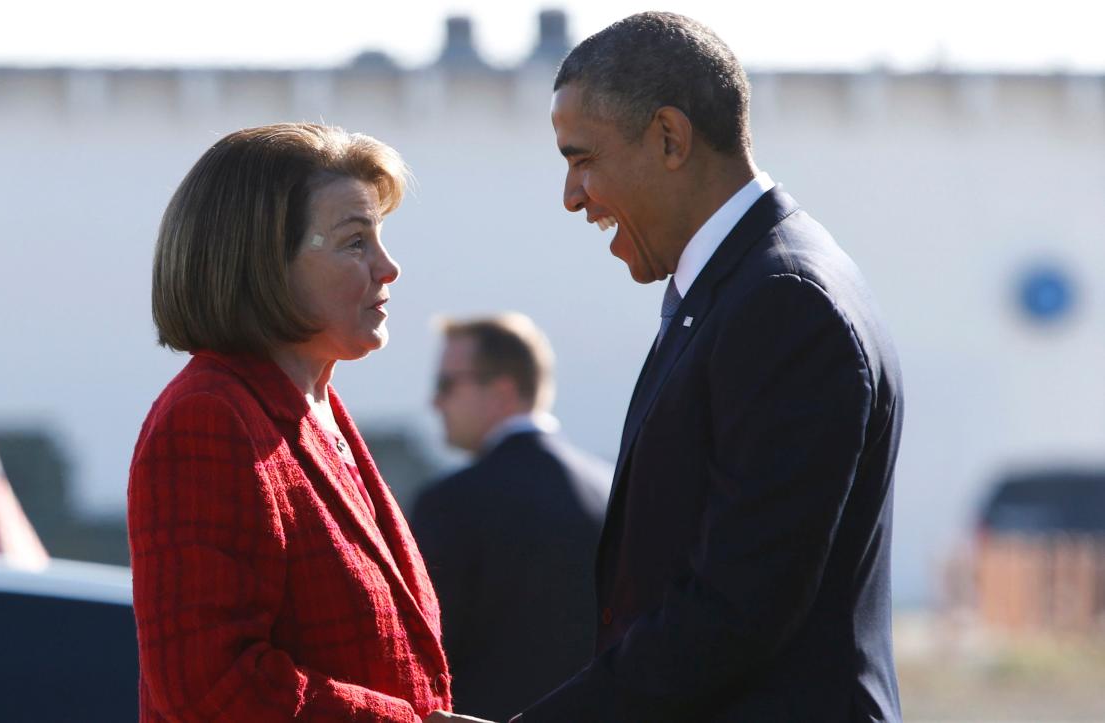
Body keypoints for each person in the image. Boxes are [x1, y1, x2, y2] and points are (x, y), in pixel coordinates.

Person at [494, 11, 903, 722]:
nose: (572, 195)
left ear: (669, 139)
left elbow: (737, 606)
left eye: (582, 157)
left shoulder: (783, 301)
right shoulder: (739, 284)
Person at [128, 123, 453, 722]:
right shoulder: (210, 418)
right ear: (262, 262)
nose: (388, 267)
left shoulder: (313, 407)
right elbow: (208, 687)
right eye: (356, 242)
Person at [411, 314, 610, 721]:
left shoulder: (451, 502)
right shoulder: (612, 490)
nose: (435, 402)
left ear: (502, 391)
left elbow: (421, 653)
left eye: (446, 384)